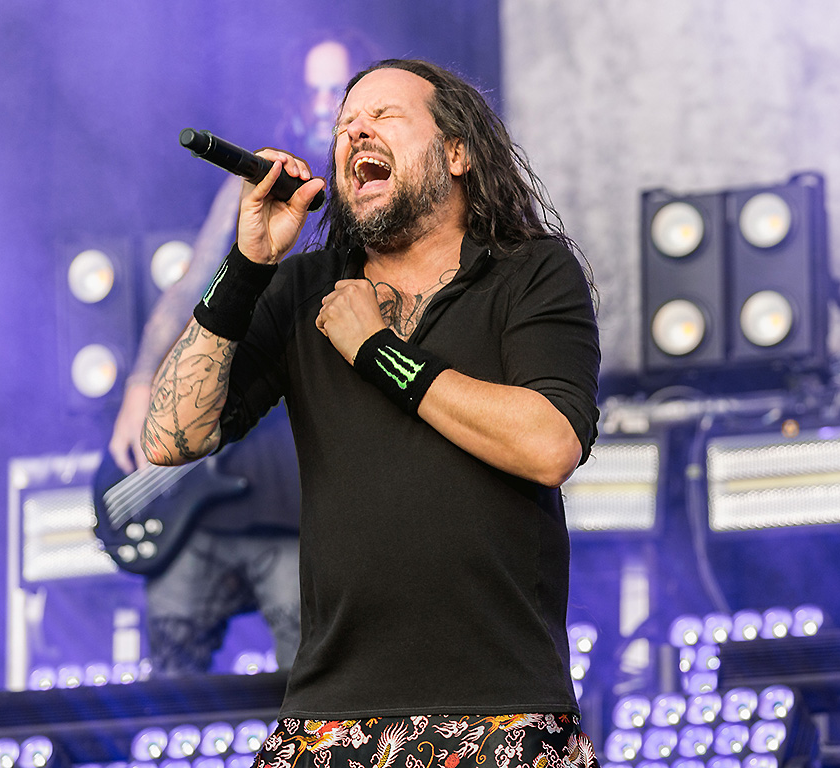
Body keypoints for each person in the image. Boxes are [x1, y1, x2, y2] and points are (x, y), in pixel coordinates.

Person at [142, 59, 602, 767]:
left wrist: (378, 350)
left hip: (500, 710)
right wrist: (248, 263)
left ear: (457, 152)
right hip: (330, 717)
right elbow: (171, 435)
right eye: (344, 126)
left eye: (383, 116)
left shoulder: (529, 272)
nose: (355, 131)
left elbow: (549, 444)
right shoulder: (303, 289)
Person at [108, 36, 369, 677]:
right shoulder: (266, 180)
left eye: (335, 90)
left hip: (297, 488)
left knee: (301, 680)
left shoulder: (370, 191)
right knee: (172, 675)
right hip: (209, 481)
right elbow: (191, 283)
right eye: (310, 89)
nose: (320, 104)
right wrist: (140, 385)